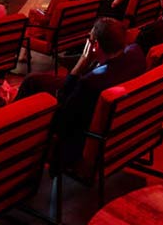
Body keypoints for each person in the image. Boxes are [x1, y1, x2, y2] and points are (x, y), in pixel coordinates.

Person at [16, 17, 145, 168]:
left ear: (95, 45)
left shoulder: (90, 83)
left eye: (89, 39)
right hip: (121, 128)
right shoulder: (136, 55)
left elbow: (63, 120)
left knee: (32, 89)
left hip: (78, 141)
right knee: (33, 81)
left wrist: (83, 61)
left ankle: (10, 135)